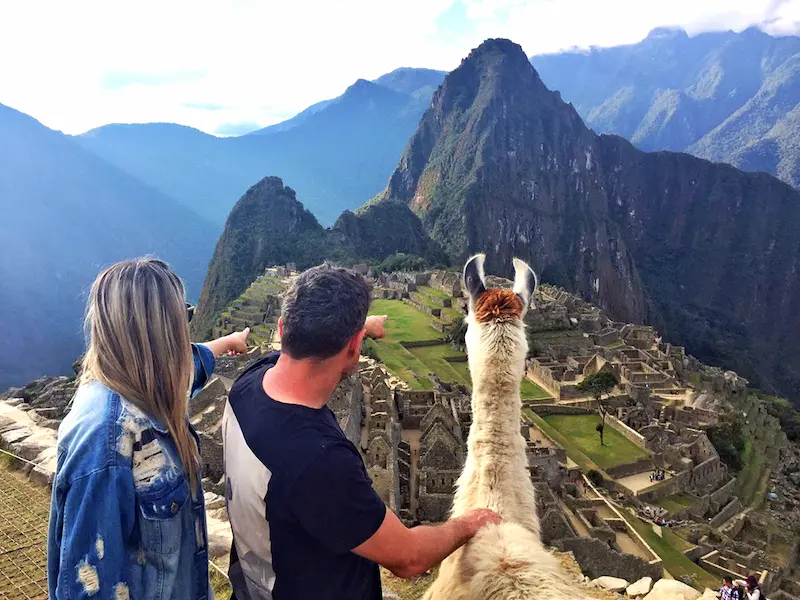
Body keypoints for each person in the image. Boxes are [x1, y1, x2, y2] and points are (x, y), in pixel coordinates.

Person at [223, 265, 502, 600]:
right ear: (353, 349)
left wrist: (360, 330)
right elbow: (408, 557)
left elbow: (301, 351)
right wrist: (470, 523)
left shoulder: (247, 385)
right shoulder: (320, 462)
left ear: (283, 329)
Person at [47, 258, 250, 600]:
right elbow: (89, 588)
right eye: (182, 317)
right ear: (160, 332)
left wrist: (226, 342)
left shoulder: (150, 389)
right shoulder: (106, 440)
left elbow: (192, 365)